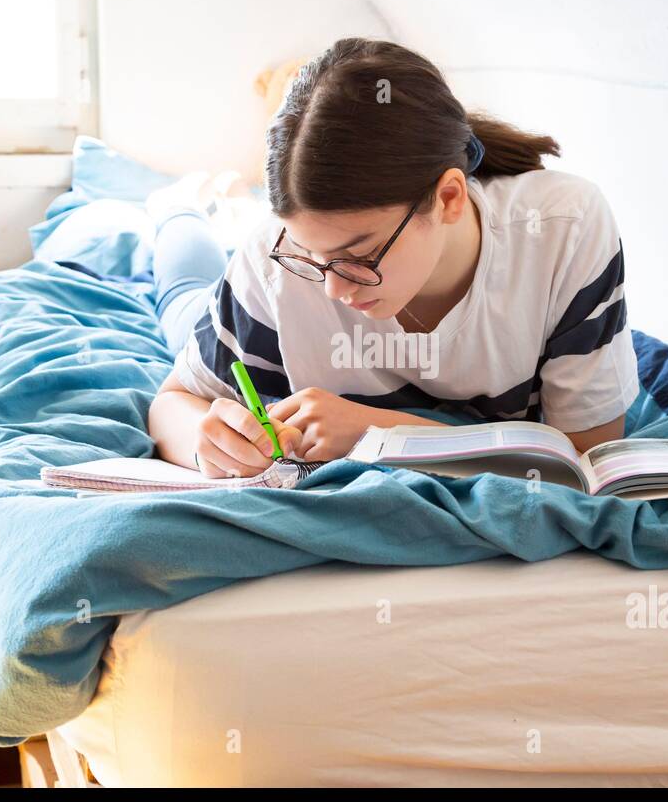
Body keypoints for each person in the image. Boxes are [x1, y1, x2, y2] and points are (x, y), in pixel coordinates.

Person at [148, 37, 639, 478]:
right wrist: (206, 444)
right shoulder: (272, 260)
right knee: (182, 297)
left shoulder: (564, 230)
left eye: (357, 254)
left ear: (448, 198)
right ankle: (177, 210)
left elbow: (587, 457)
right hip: (220, 297)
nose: (333, 289)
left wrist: (380, 433)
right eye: (309, 254)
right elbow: (172, 402)